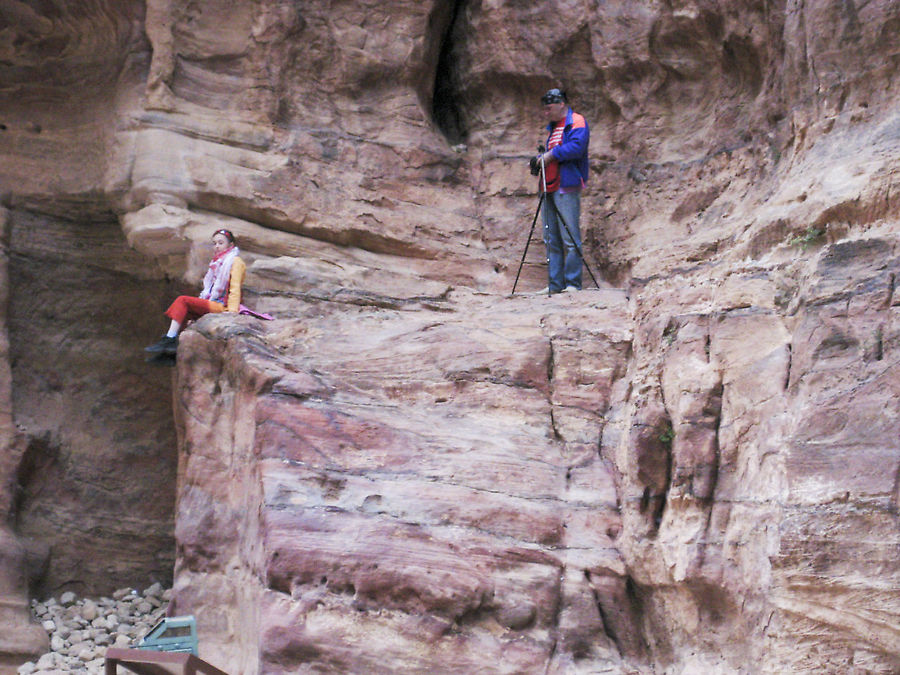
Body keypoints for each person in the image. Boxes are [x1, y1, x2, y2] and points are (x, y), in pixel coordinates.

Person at [144, 229, 246, 354]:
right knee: (184, 314)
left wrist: (232, 312)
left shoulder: (235, 262)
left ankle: (169, 339)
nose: (217, 246)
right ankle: (172, 349)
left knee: (183, 300)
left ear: (230, 245)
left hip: (222, 305)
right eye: (214, 243)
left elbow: (235, 288)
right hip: (213, 302)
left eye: (220, 243)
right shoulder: (218, 262)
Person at [534, 88, 590, 293]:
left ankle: (573, 283)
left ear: (561, 105)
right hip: (548, 186)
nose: (545, 113)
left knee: (569, 236)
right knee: (551, 237)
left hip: (566, 185)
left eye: (549, 109)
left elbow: (577, 148)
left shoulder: (576, 121)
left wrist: (550, 155)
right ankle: (555, 284)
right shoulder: (555, 127)